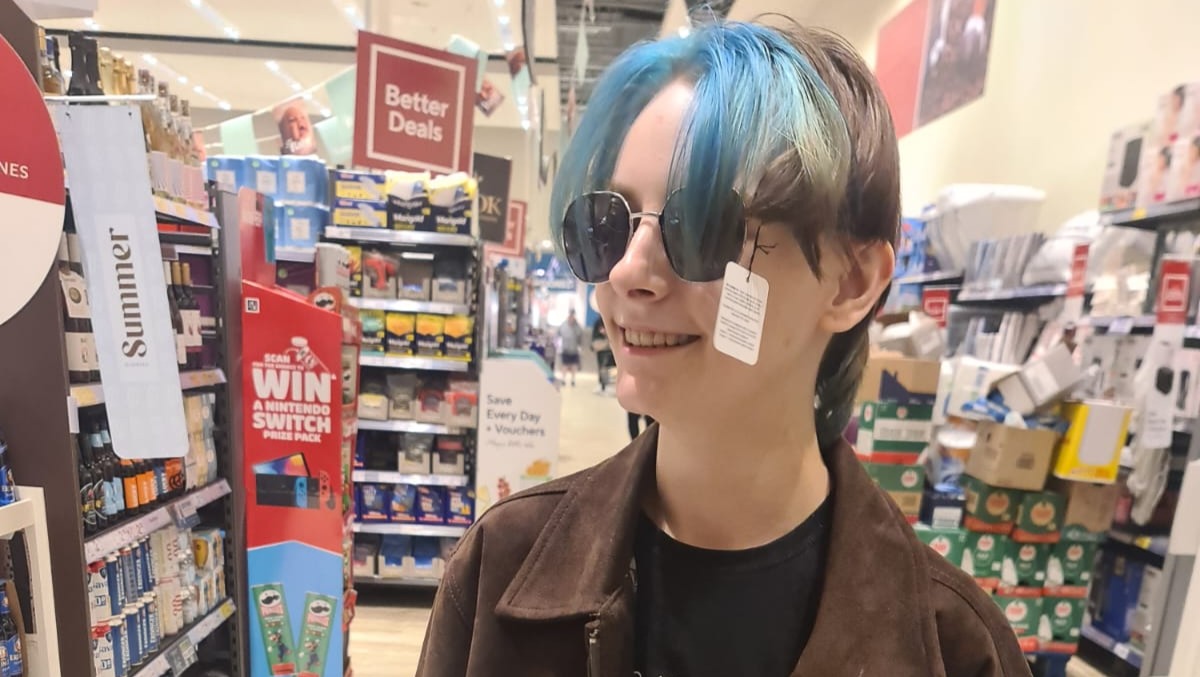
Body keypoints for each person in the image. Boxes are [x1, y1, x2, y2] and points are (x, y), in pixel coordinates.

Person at [418, 19, 1028, 677]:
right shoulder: (498, 571)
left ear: (850, 282)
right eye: (608, 224)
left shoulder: (956, 650)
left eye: (702, 226)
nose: (627, 271)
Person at [556, 309, 583, 386]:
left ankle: (573, 380)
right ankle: (563, 379)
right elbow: (558, 335)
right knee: (565, 365)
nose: (571, 317)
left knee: (574, 365)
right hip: (565, 348)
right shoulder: (563, 325)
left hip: (574, 349)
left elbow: (580, 337)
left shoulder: (577, 326)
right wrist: (558, 346)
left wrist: (580, 347)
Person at [592, 316, 614, 392]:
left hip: (607, 347)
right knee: (602, 367)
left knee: (606, 367)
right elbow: (598, 333)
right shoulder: (599, 321)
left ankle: (605, 385)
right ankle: (602, 385)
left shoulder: (607, 320)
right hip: (602, 347)